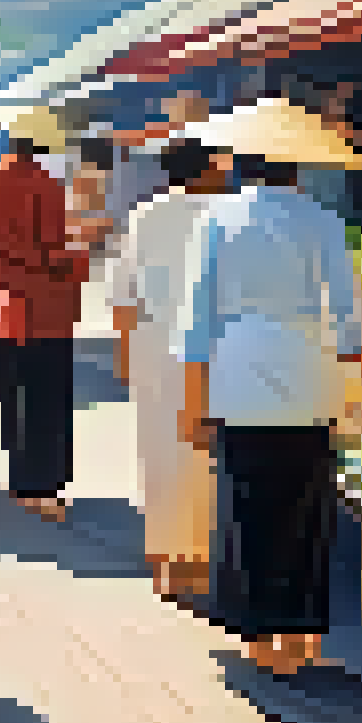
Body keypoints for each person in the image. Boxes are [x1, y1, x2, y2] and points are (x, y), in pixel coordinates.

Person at [176, 96, 362, 676]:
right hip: (310, 370)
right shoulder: (319, 218)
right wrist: (361, 386)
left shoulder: (216, 217)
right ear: (297, 165)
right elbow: (346, 313)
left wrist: (192, 404)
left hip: (238, 370)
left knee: (247, 501)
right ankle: (304, 630)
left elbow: (197, 318)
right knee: (309, 506)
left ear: (240, 160)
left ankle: (261, 635)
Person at [111, 137, 232, 604]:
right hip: (212, 346)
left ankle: (166, 562)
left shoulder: (145, 215)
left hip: (152, 346)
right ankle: (200, 563)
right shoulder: (228, 215)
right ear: (207, 169)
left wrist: (124, 357)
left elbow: (124, 296)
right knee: (206, 455)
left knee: (159, 453)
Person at [0, 106, 99, 525]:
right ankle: (45, 487)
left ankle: (19, 478)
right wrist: (81, 255)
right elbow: (53, 251)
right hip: (46, 306)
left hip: (5, 305)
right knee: (47, 398)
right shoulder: (46, 184)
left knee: (10, 394)